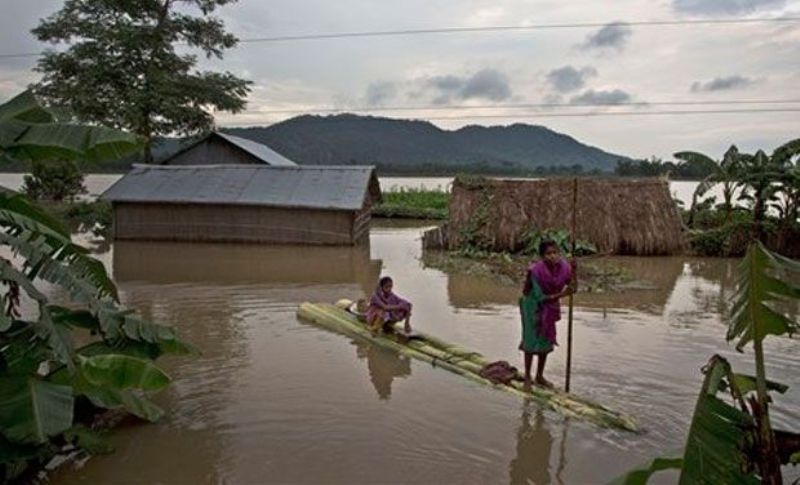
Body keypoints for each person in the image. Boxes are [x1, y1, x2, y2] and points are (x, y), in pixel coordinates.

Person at [519, 240, 575, 388]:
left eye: (555, 252)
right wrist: (563, 294)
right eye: (548, 254)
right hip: (532, 306)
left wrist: (575, 271)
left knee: (545, 340)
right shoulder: (536, 271)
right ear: (542, 256)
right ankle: (527, 376)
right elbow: (540, 297)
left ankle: (539, 376)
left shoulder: (564, 267)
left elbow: (573, 286)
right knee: (531, 340)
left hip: (550, 306)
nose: (553, 256)